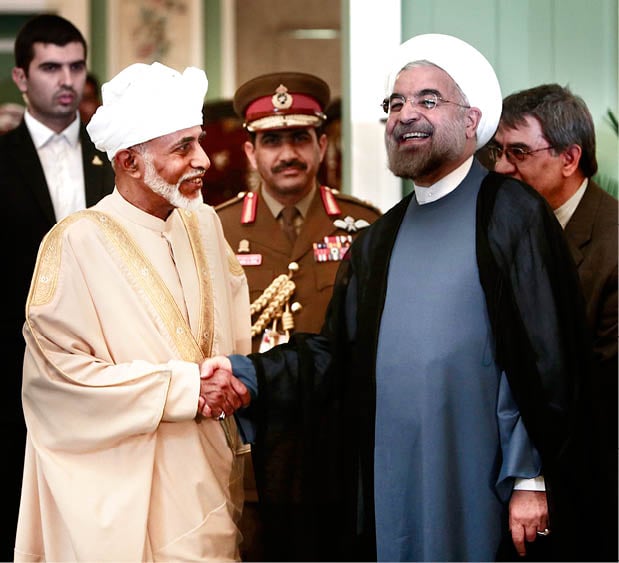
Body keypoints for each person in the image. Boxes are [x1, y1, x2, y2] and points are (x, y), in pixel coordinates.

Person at [203, 33, 607, 562]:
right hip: (393, 477)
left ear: (471, 120)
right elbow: (336, 355)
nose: (404, 115)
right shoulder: (379, 239)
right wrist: (247, 373)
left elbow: (544, 358)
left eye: (427, 100)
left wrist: (531, 478)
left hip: (485, 480)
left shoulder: (510, 214)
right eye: (394, 104)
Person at [14, 61, 252, 561]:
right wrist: (183, 389)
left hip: (209, 481)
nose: (204, 160)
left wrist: (234, 379)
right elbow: (56, 386)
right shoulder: (75, 241)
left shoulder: (205, 223)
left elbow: (235, 327)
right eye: (182, 148)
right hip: (125, 499)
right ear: (129, 161)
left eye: (199, 141)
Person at [215, 71, 381, 560]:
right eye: (271, 140)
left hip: (337, 448)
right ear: (250, 152)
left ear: (322, 143)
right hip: (251, 448)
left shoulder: (364, 226)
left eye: (299, 138)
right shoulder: (215, 230)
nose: (287, 153)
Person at [0, 14, 114, 560]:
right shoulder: (2, 158)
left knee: (95, 515)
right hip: (17, 368)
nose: (66, 80)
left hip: (107, 363)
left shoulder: (118, 159)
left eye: (75, 66)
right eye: (50, 68)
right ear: (21, 77)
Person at [489, 83, 618, 561]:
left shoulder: (612, 244)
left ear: (569, 159)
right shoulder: (504, 230)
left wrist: (535, 477)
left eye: (519, 152)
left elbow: (597, 389)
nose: (503, 167)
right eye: (498, 151)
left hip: (589, 486)